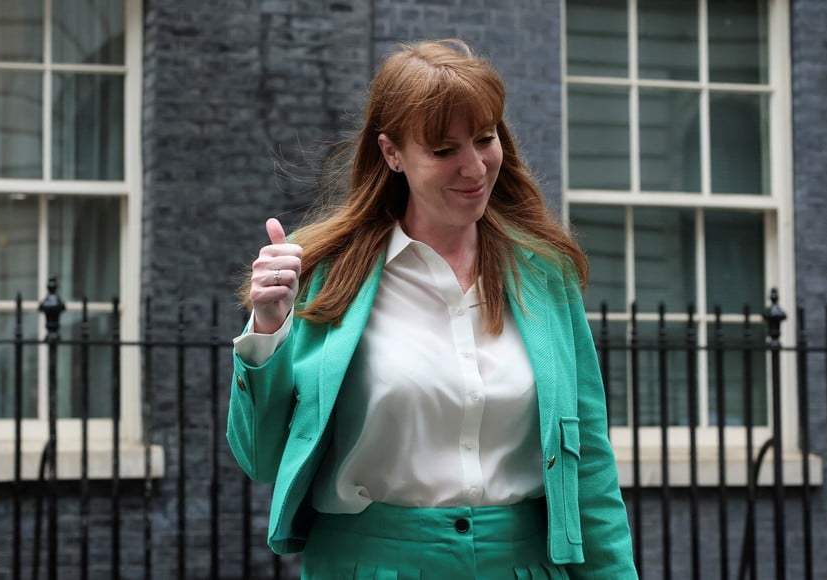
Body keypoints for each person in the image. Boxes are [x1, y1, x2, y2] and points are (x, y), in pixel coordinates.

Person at [227, 38, 637, 579]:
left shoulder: (544, 274)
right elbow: (260, 458)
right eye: (444, 151)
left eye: (485, 139)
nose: (475, 167)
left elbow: (590, 468)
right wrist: (268, 328)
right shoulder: (325, 273)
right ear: (391, 153)